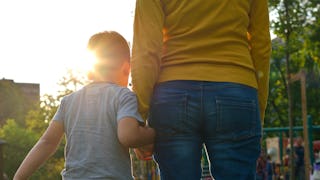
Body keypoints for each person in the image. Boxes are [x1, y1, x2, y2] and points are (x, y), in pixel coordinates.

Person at [131, 0, 271, 179]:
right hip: (236, 90)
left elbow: (146, 48)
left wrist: (139, 119)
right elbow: (261, 45)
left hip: (173, 95)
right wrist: (258, 112)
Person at [13, 31, 155, 180]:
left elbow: (46, 142)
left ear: (89, 70)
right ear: (127, 69)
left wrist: (18, 178)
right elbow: (128, 136)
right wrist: (157, 132)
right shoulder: (124, 96)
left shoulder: (68, 102)